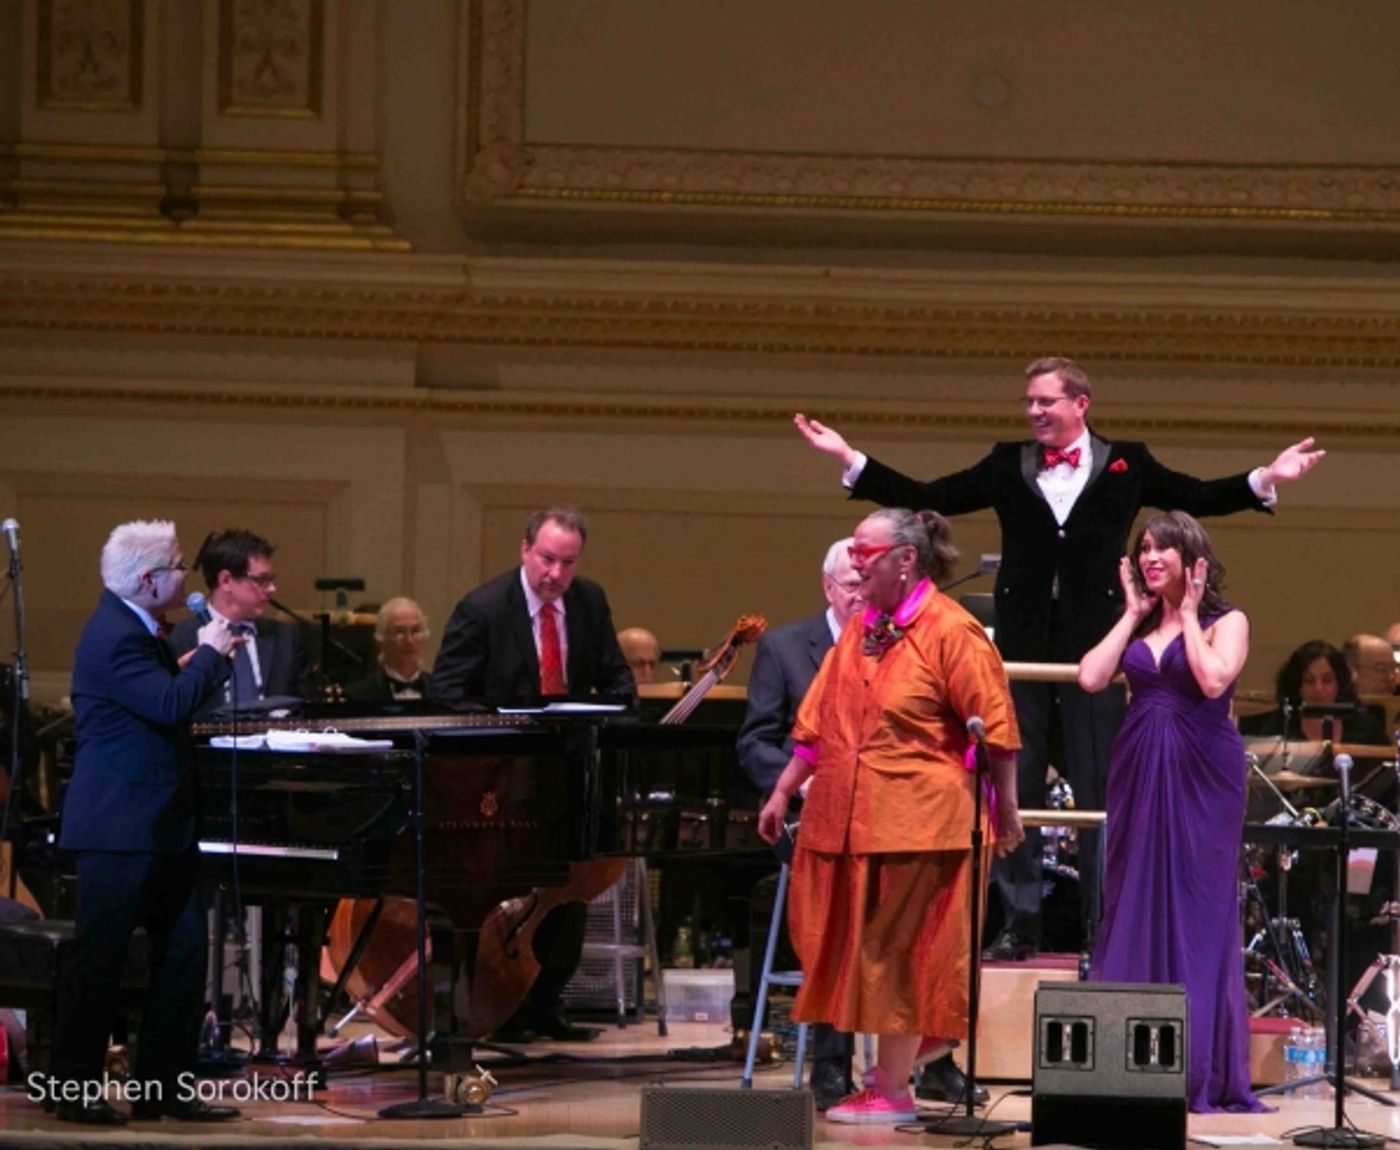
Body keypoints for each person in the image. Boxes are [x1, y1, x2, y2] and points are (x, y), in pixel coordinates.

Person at [795, 355, 1324, 960]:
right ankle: (1020, 924)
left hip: (1097, 644)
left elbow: (1198, 496)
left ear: (1081, 403)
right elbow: (929, 496)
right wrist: (850, 460)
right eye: (1029, 403)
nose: (1034, 411)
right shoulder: (1007, 461)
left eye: (1045, 401)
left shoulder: (1129, 461)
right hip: (1019, 648)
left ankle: (1105, 924)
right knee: (1010, 780)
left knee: (1100, 785)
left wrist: (1266, 477)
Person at [757, 509, 1023, 1124]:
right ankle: (917, 1050)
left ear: (906, 559)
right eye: (851, 550)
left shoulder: (953, 632)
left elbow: (999, 735)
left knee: (900, 953)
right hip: (847, 820)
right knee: (857, 946)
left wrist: (1006, 813)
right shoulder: (859, 629)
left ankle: (894, 1086)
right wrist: (781, 792)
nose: (854, 562)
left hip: (922, 822)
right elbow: (815, 727)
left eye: (865, 551)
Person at [51, 521, 240, 1125]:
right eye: (179, 564)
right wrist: (207, 654)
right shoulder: (113, 635)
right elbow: (166, 705)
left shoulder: (138, 629)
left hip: (161, 827)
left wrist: (197, 663)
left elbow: (160, 700)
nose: (187, 575)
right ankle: (74, 1091)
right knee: (99, 964)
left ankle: (164, 1088)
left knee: (183, 958)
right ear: (147, 579)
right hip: (118, 830)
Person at [1078, 511, 1264, 1113]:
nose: (1150, 558)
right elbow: (1090, 677)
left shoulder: (1226, 621)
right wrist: (1133, 613)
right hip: (1138, 769)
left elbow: (1213, 682)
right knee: (1133, 896)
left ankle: (1197, 1067)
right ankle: (1130, 1061)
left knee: (1198, 908)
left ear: (1192, 557)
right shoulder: (1139, 626)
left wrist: (1187, 617)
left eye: (1162, 550)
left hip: (1202, 774)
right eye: (1145, 550)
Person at [430, 507, 636, 1043]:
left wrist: (597, 711)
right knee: (501, 894)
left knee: (568, 890)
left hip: (566, 775)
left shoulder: (589, 602)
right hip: (497, 778)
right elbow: (447, 694)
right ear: (525, 550)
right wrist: (514, 722)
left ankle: (544, 1004)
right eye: (547, 559)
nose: (555, 574)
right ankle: (492, 1008)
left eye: (567, 563)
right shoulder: (482, 609)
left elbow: (618, 682)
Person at [168, 529, 311, 715]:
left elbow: (308, 707)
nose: (272, 589)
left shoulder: (286, 637)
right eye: (261, 580)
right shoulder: (181, 638)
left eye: (271, 580)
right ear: (226, 580)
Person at [1238, 639, 1389, 747]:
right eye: (1309, 681)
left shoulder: (1364, 726)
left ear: (1340, 682)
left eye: (1327, 680)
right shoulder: (1281, 724)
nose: (1319, 688)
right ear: (1297, 684)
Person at [345, 597, 430, 701]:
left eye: (415, 631)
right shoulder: (357, 696)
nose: (409, 641)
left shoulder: (444, 691)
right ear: (380, 642)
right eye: (399, 632)